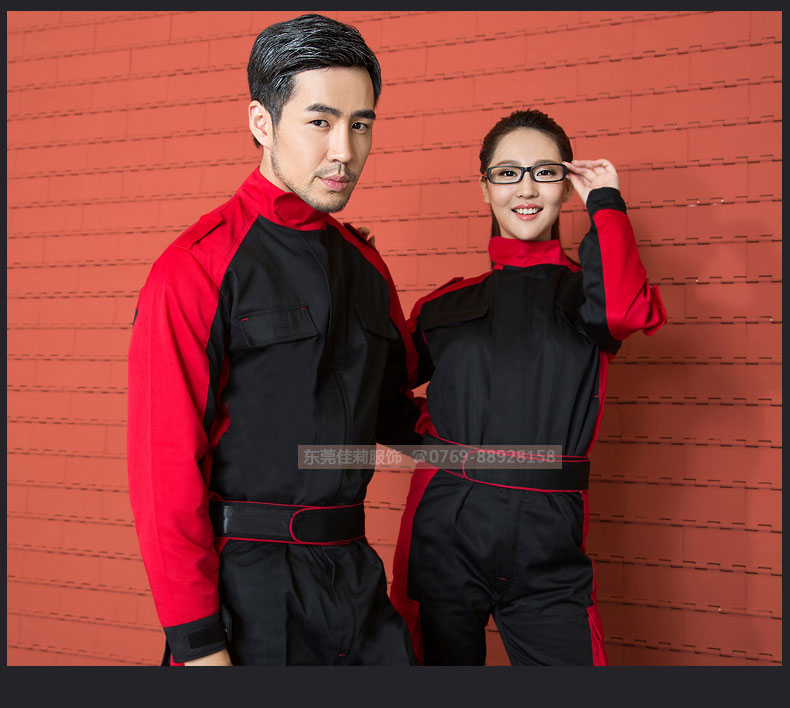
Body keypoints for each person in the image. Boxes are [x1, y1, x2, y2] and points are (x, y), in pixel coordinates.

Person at [127, 13, 422, 666]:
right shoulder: (197, 270)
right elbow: (163, 476)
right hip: (250, 600)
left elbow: (397, 418)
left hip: (358, 589)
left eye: (361, 124)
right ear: (262, 122)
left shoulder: (369, 270)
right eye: (320, 121)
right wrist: (199, 647)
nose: (344, 150)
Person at [389, 109, 667, 665]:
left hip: (549, 534)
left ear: (565, 184)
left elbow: (625, 310)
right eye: (508, 173)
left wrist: (605, 201)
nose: (526, 188)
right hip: (444, 525)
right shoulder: (445, 305)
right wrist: (435, 440)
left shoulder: (588, 297)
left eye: (544, 172)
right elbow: (375, 388)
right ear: (485, 187)